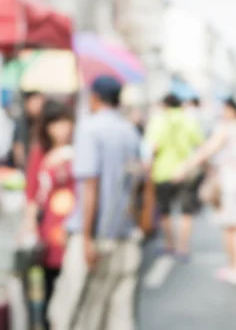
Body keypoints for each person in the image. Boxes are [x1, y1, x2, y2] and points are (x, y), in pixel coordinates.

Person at [48, 76, 142, 330]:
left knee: (79, 313)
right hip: (124, 232)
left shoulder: (89, 129)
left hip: (95, 234)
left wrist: (88, 238)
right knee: (119, 315)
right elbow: (139, 183)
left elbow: (90, 185)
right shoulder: (130, 131)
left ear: (95, 98)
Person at [175, 97, 236, 285]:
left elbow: (207, 150)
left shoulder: (227, 129)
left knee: (233, 226)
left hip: (232, 183)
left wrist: (184, 167)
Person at [21, 100, 75, 330]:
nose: (62, 129)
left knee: (72, 283)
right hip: (49, 228)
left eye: (65, 122)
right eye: (56, 123)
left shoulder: (78, 150)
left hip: (72, 227)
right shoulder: (40, 153)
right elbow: (32, 193)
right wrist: (30, 225)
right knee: (47, 283)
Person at [144, 93, 204, 260]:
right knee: (186, 211)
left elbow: (153, 147)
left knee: (165, 211)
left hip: (162, 172)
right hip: (186, 171)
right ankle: (183, 248)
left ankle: (170, 244)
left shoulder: (158, 120)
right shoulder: (189, 120)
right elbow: (200, 145)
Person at [13, 91, 45, 169]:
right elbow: (18, 149)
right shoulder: (22, 123)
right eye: (34, 102)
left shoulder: (46, 122)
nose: (37, 105)